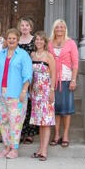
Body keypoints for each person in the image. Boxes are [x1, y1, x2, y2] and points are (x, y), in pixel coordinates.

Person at [0, 28, 33, 159]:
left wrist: (24, 91)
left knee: (15, 122)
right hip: (1, 93)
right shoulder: (1, 54)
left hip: (17, 94)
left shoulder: (23, 55)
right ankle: (6, 147)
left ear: (18, 40)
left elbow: (27, 75)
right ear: (6, 39)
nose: (11, 40)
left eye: (14, 38)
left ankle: (14, 149)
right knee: (3, 121)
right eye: (9, 38)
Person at [48, 19, 79, 148]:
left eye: (61, 27)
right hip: (52, 80)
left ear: (65, 29)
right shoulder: (49, 43)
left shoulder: (71, 43)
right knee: (55, 109)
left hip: (66, 79)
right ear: (54, 29)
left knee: (66, 109)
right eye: (57, 27)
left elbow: (75, 63)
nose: (59, 29)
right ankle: (56, 134)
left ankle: (65, 134)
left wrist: (73, 79)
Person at [29, 31, 56, 161]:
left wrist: (52, 90)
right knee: (40, 122)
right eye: (37, 40)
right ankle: (40, 149)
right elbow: (31, 74)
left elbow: (54, 74)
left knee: (46, 121)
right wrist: (29, 89)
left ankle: (44, 151)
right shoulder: (32, 55)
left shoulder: (49, 56)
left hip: (46, 91)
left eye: (41, 39)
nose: (39, 42)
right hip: (35, 92)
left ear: (45, 42)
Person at [17, 17, 38, 144]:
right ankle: (19, 132)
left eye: (27, 25)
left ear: (31, 27)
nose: (24, 27)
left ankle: (29, 133)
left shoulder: (35, 40)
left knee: (30, 103)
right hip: (18, 76)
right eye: (22, 25)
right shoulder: (16, 40)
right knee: (20, 104)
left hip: (32, 74)